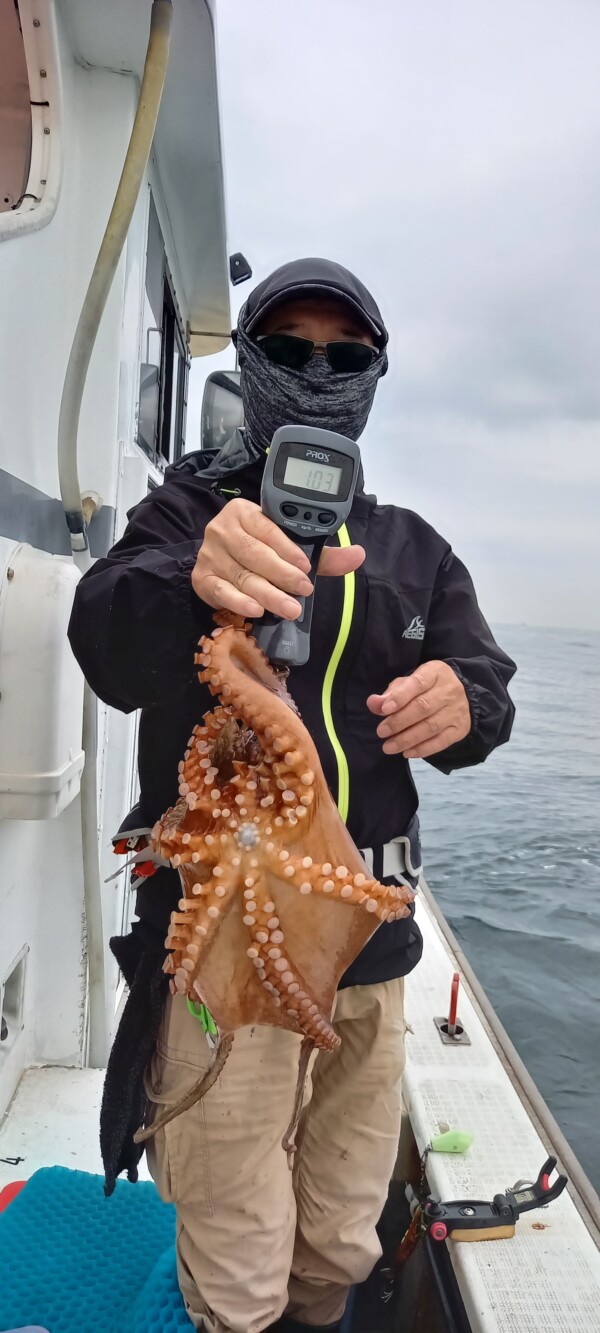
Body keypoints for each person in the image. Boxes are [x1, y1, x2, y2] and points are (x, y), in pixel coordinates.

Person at [68, 258, 516, 1333]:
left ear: (373, 375)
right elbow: (108, 640)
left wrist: (464, 700)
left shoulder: (411, 548)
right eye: (287, 349)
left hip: (370, 955)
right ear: (250, 364)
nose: (319, 371)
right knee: (236, 1253)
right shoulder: (186, 518)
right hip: (225, 951)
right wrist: (194, 576)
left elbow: (488, 696)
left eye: (346, 355)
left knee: (339, 1238)